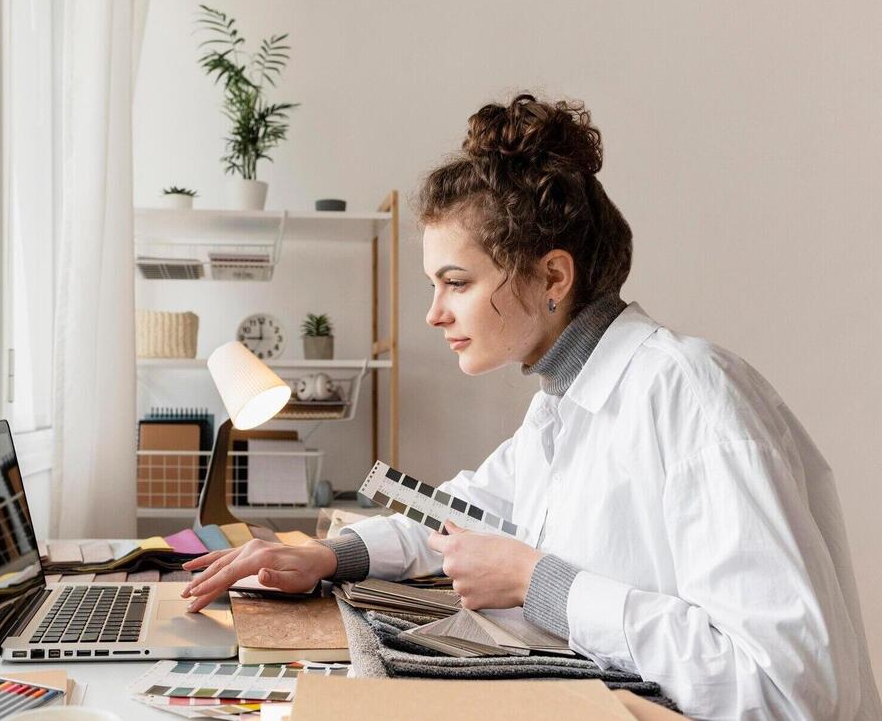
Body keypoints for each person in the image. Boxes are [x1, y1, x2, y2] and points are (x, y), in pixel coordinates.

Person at [180, 94, 880, 719]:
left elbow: (788, 688)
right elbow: (452, 516)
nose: (432, 313)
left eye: (454, 282)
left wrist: (540, 582)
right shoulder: (561, 407)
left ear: (552, 276)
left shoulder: (689, 393)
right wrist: (326, 556)